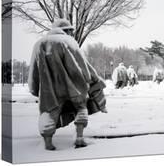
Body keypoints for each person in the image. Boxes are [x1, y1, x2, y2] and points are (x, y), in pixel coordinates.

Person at [28, 19, 107, 150]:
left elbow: (34, 70)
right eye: (70, 30)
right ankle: (79, 138)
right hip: (74, 87)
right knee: (81, 108)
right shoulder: (69, 42)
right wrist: (92, 78)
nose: (72, 33)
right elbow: (82, 65)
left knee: (49, 113)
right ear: (66, 30)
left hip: (50, 89)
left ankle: (48, 143)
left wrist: (35, 88)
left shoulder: (38, 44)